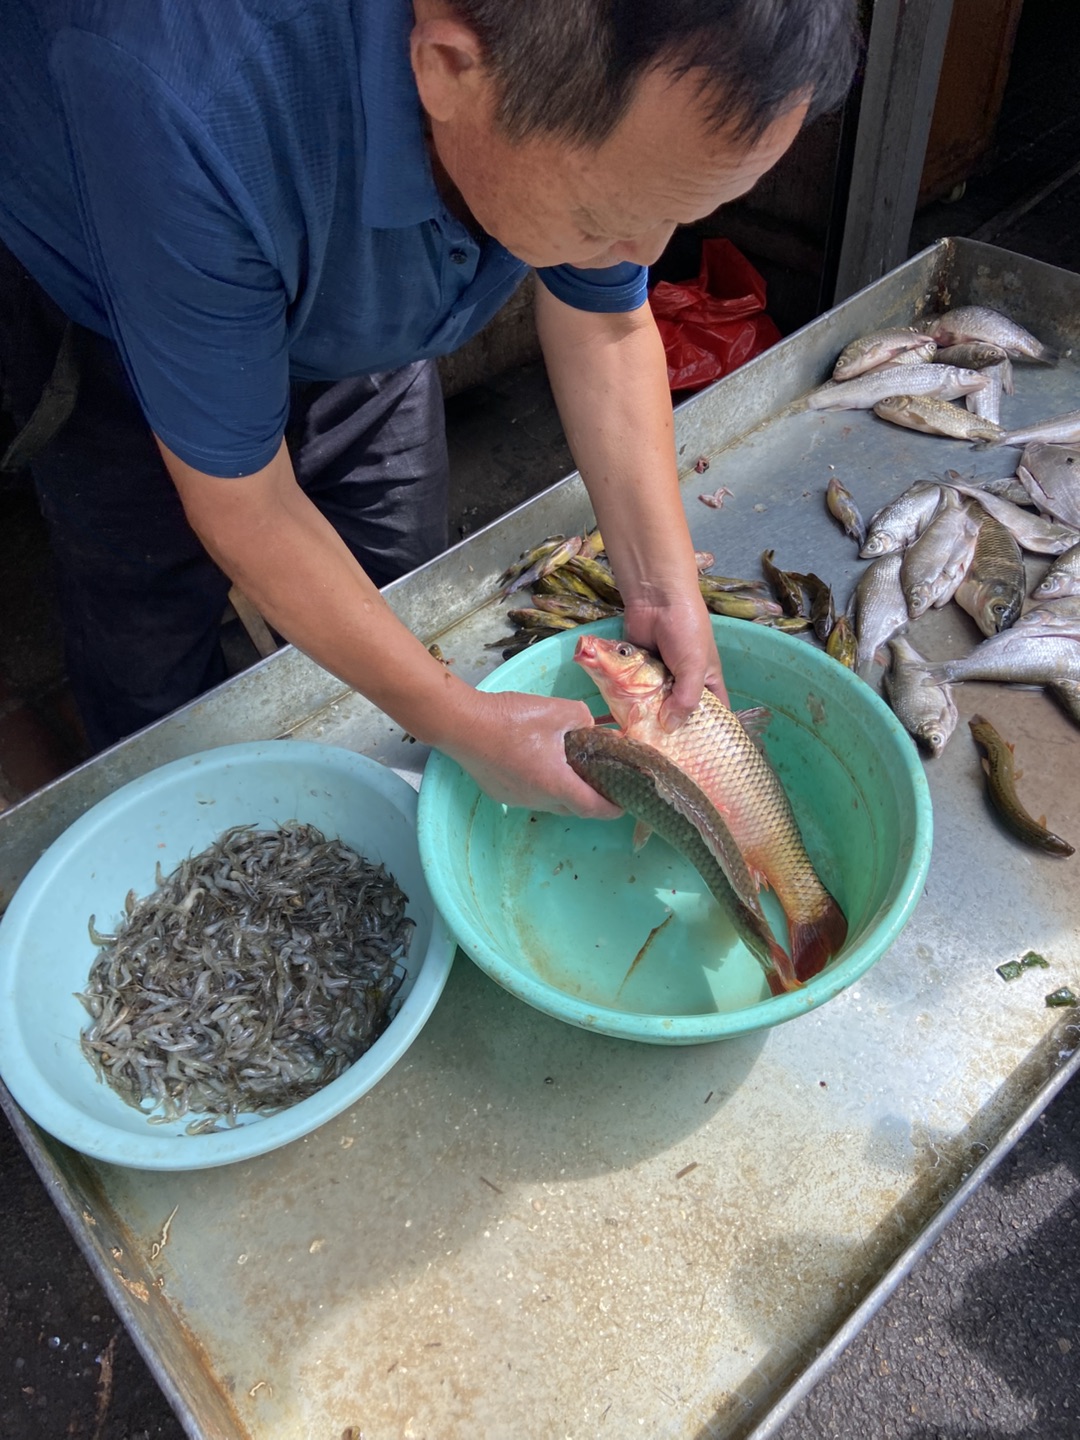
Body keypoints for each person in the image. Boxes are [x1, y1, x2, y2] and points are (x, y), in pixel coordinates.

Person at [0, 0, 857, 814]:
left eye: (677, 212)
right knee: (147, 638)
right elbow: (245, 504)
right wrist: (466, 726)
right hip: (129, 299)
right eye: (607, 216)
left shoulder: (576, 74)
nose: (645, 252)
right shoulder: (183, 93)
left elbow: (604, 318)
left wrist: (666, 590)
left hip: (364, 294)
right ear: (449, 69)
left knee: (400, 594)